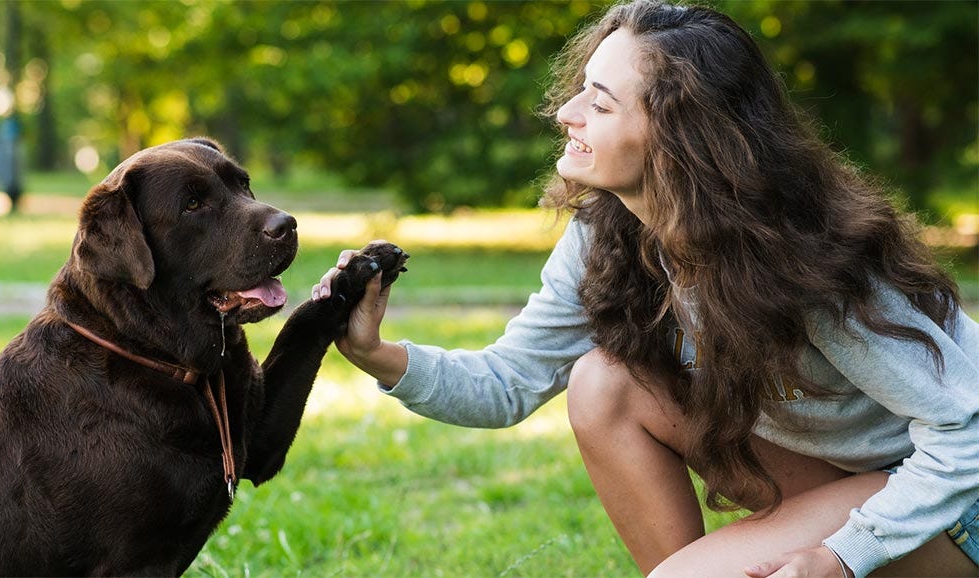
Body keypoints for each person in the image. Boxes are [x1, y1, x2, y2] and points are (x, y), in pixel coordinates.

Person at [310, 1, 979, 577]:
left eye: (598, 102)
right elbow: (509, 381)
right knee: (604, 382)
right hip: (839, 474)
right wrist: (378, 354)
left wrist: (845, 554)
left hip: (951, 498)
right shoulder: (609, 232)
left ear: (678, 135)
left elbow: (964, 430)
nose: (566, 112)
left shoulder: (803, 260)